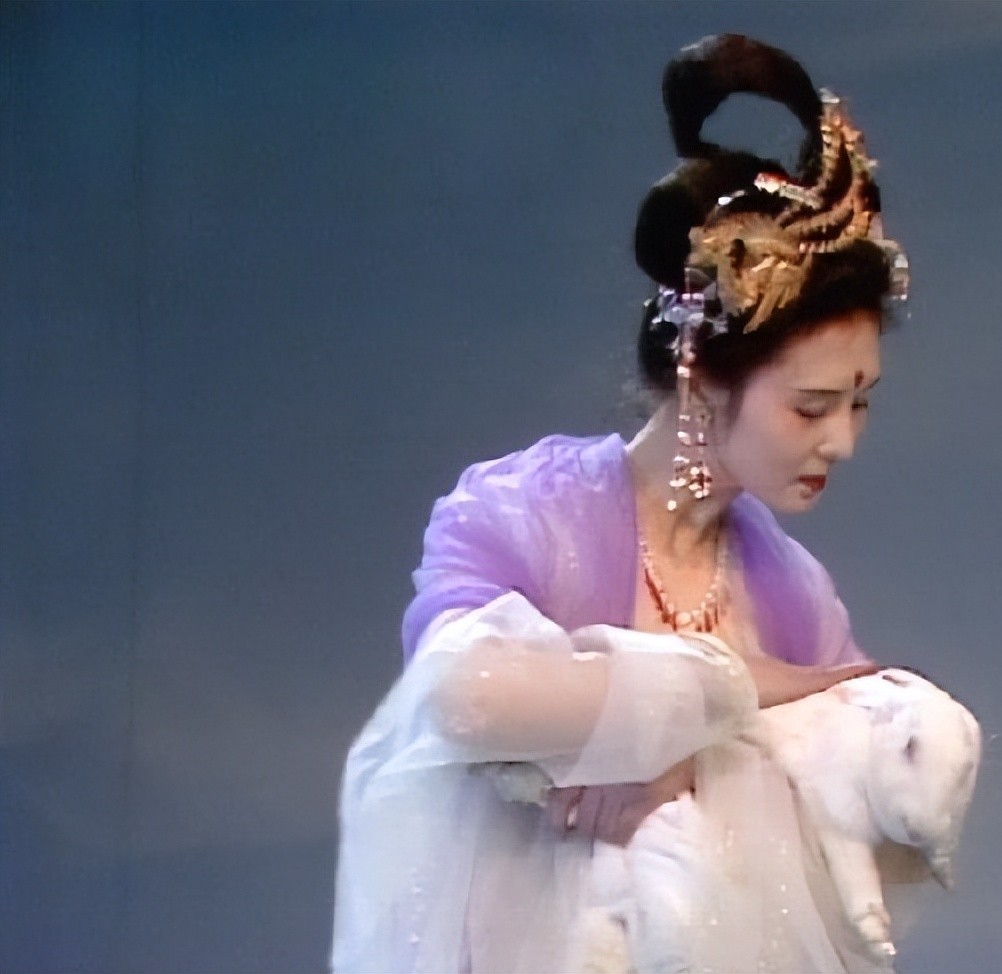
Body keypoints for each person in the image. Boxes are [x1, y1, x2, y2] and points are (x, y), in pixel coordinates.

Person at [332, 33, 920, 974]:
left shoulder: (788, 587)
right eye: (811, 406)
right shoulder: (530, 517)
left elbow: (880, 786)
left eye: (859, 404)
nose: (841, 440)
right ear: (704, 377)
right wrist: (721, 691)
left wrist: (691, 759)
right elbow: (462, 700)